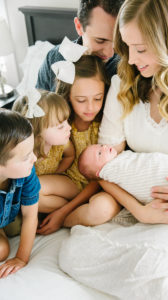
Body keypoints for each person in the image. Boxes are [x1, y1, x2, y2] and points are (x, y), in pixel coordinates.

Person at [59, 0, 168, 299]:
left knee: (157, 267)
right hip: (141, 207)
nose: (132, 59)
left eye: (142, 48)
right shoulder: (124, 84)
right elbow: (105, 169)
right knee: (74, 253)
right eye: (127, 46)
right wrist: (141, 212)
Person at [35, 39, 121, 235]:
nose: (90, 108)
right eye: (81, 100)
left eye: (97, 98)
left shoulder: (106, 125)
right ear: (68, 97)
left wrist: (63, 211)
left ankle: (64, 218)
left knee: (103, 209)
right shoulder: (62, 124)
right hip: (69, 184)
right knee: (30, 191)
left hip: (99, 186)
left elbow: (100, 179)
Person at [12, 88, 78, 214]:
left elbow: (70, 156)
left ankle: (68, 208)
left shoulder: (62, 144)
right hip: (39, 190)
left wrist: (58, 171)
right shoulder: (27, 153)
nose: (69, 128)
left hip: (62, 182)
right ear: (37, 132)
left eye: (67, 122)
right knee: (29, 196)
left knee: (33, 192)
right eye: (60, 126)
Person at [36, 0, 125, 91]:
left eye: (117, 41)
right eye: (100, 40)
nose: (110, 53)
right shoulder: (53, 59)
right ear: (79, 26)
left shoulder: (127, 67)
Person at [0, 109, 40, 278]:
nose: (34, 158)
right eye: (25, 157)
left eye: (32, 151)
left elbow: (31, 215)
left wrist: (21, 258)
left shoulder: (27, 173)